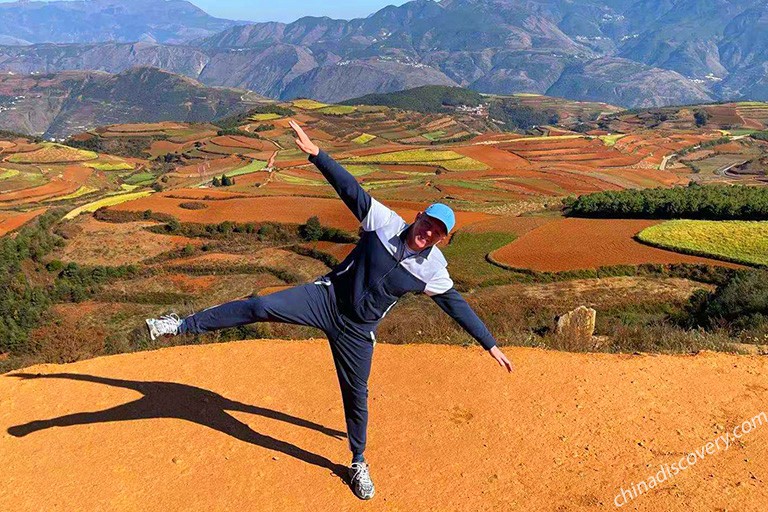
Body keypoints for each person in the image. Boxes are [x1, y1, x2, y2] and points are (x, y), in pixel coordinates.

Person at [145, 119, 514, 500]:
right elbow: (350, 190)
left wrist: (490, 344)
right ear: (419, 215)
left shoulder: (433, 269)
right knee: (259, 305)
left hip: (358, 331)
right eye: (429, 223)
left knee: (356, 394)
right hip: (325, 299)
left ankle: (358, 461)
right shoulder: (384, 222)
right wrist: (317, 155)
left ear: (443, 239)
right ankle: (181, 325)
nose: (430, 233)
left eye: (439, 232)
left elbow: (457, 306)